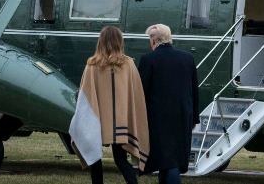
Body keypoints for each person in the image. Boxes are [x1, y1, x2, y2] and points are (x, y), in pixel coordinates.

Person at [69, 26, 149, 184]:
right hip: (122, 122)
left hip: (98, 121)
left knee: (95, 159)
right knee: (120, 159)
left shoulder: (92, 65)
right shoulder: (128, 64)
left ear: (101, 41)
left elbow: (85, 96)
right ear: (120, 41)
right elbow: (136, 97)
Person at [138, 24, 199, 184]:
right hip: (182, 115)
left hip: (158, 118)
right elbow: (194, 90)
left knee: (167, 160)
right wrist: (194, 118)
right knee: (172, 159)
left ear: (153, 40)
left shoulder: (147, 59)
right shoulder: (187, 58)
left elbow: (141, 92)